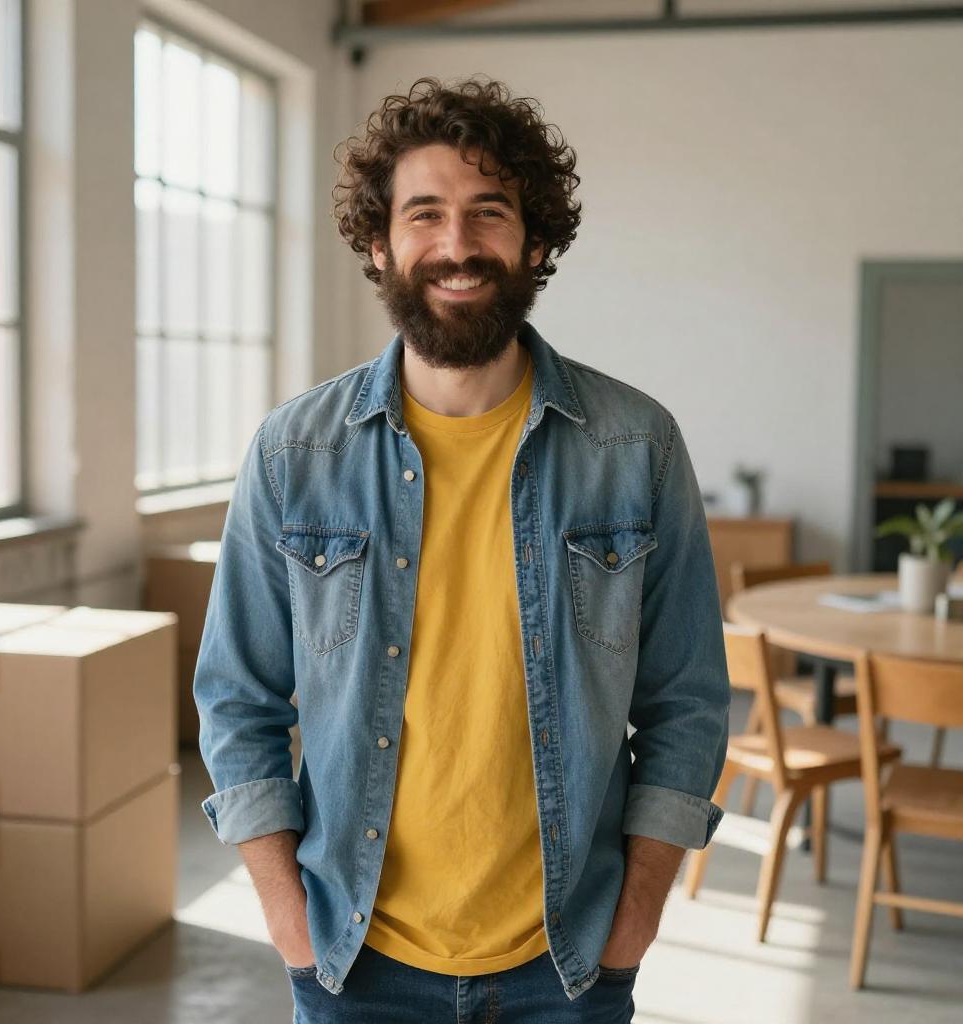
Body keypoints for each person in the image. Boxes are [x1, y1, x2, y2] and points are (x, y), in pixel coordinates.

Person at [194, 76, 730, 1023]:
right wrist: (290, 920)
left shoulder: (634, 447)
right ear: (379, 241)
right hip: (353, 960)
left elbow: (686, 704)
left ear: (533, 239)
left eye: (488, 213)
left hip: (566, 968)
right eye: (425, 214)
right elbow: (238, 700)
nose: (456, 245)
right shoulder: (296, 453)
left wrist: (634, 921)